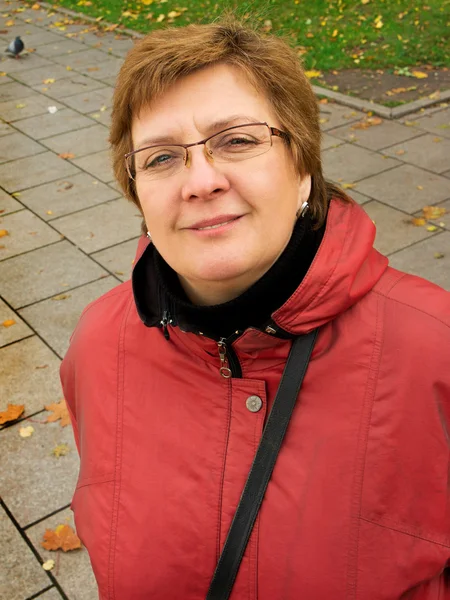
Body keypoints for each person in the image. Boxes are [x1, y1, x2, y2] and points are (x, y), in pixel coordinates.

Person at [60, 17, 450, 600]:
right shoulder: (98, 344)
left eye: (237, 141)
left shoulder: (434, 347)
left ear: (302, 169)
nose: (200, 181)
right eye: (162, 158)